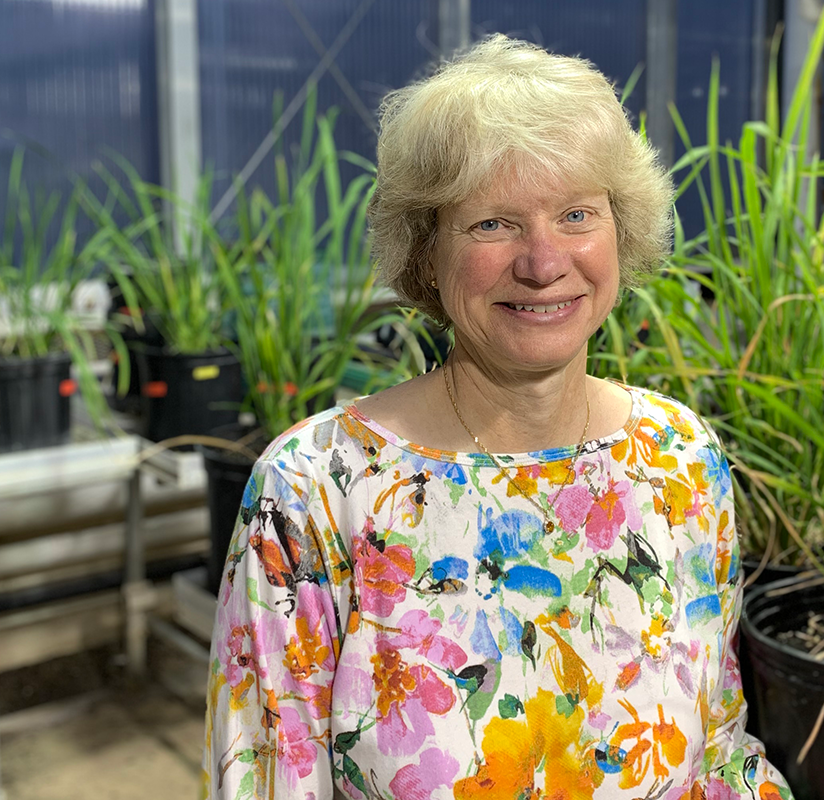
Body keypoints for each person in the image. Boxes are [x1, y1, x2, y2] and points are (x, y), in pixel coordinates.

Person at [202, 34, 789, 800]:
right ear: (426, 254)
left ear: (624, 230)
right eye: (492, 224)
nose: (544, 263)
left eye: (577, 214)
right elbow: (265, 776)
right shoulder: (318, 488)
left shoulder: (679, 457)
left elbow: (719, 754)